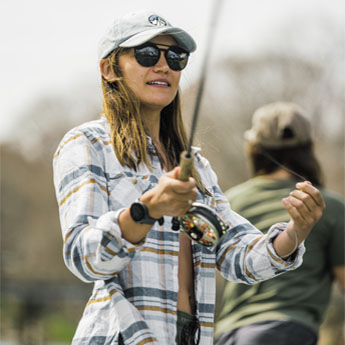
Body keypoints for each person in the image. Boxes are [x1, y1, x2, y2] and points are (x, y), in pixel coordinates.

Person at [53, 12, 325, 345]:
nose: (164, 65)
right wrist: (147, 209)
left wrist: (296, 232)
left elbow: (238, 256)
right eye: (147, 54)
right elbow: (84, 257)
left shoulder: (197, 165)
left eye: (176, 57)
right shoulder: (86, 144)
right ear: (109, 69)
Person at [214, 102, 345, 345]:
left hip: (228, 335)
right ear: (310, 147)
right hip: (288, 331)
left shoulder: (229, 201)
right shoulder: (326, 206)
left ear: (253, 148)